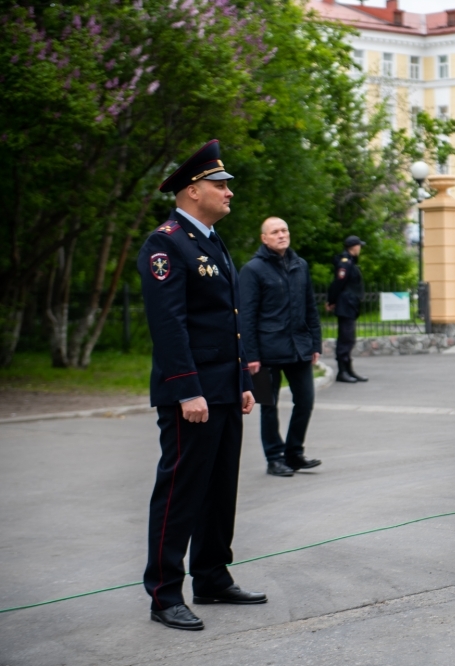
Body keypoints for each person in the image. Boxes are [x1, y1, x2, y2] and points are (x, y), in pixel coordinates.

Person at [137, 140, 265, 632]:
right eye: (220, 185)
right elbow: (169, 326)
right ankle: (164, 593)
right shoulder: (166, 242)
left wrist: (240, 381)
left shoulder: (209, 238)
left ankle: (211, 575)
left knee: (219, 489)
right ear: (193, 191)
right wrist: (188, 389)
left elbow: (224, 321)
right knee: (180, 492)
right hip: (191, 394)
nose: (229, 192)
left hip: (224, 389)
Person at [239, 217, 324, 478]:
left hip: (299, 348)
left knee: (306, 401)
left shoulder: (300, 265)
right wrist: (250, 355)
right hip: (265, 353)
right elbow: (246, 316)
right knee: (268, 405)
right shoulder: (252, 270)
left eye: (284, 230)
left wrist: (315, 343)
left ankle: (294, 453)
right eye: (275, 231)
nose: (281, 235)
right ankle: (274, 458)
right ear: (264, 238)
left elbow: (311, 307)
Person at [326, 236, 368, 384]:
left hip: (349, 305)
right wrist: (331, 300)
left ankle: (349, 370)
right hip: (345, 305)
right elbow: (338, 283)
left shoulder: (350, 262)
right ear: (354, 247)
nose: (360, 249)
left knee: (349, 338)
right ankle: (342, 372)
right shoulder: (345, 263)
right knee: (345, 338)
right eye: (359, 246)